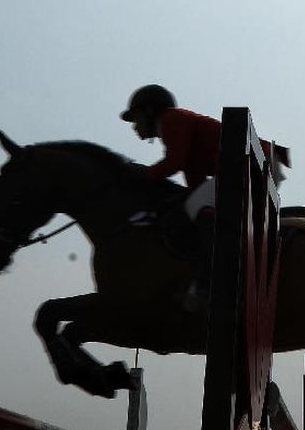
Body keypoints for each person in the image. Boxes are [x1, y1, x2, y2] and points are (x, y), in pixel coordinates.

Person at [120, 84, 288, 305]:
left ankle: (211, 279)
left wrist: (143, 174)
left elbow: (174, 162)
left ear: (150, 111)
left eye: (136, 118)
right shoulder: (174, 125)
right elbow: (194, 177)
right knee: (195, 203)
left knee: (196, 203)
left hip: (253, 163)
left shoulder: (170, 119)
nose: (135, 126)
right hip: (255, 164)